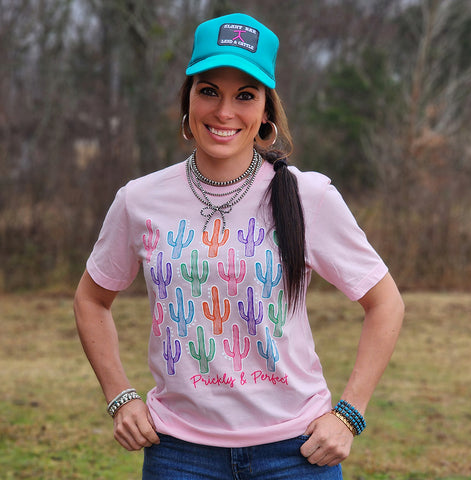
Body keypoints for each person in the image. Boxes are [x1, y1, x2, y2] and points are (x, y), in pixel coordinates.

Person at [74, 12, 404, 480]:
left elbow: (385, 302)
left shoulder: (308, 196)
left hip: (297, 454)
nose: (224, 112)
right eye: (209, 91)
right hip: (179, 455)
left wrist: (349, 414)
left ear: (266, 110)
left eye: (245, 96)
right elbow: (91, 298)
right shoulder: (139, 200)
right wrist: (120, 397)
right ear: (187, 99)